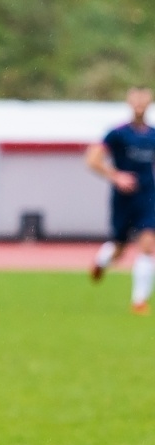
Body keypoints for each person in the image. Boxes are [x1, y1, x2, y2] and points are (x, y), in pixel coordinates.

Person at [86, 88, 155, 313]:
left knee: (147, 245)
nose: (139, 104)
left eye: (144, 100)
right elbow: (92, 160)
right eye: (135, 100)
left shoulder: (152, 134)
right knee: (120, 247)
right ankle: (102, 261)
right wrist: (117, 176)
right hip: (124, 198)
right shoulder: (117, 133)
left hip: (147, 196)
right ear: (129, 103)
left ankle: (139, 301)